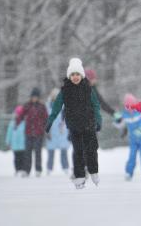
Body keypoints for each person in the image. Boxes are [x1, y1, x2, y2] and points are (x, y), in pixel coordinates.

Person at [46, 58, 102, 189]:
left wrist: (98, 120)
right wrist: (50, 120)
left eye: (77, 74)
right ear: (69, 76)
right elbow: (56, 107)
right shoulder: (65, 90)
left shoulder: (88, 89)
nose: (75, 77)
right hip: (74, 126)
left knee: (91, 149)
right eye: (72, 75)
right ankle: (79, 176)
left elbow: (96, 105)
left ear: (81, 75)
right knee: (78, 151)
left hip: (89, 124)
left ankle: (93, 171)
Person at [114, 93, 141, 181]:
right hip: (133, 140)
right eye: (127, 106)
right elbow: (120, 125)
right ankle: (128, 173)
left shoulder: (139, 112)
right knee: (132, 157)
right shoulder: (124, 114)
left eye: (131, 105)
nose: (129, 108)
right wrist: (117, 119)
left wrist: (140, 129)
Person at [17, 87, 48, 177]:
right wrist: (18, 121)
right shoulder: (27, 105)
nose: (34, 98)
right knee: (27, 152)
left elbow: (46, 118)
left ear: (38, 97)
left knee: (38, 152)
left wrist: (46, 128)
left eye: (36, 97)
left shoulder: (42, 107)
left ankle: (38, 169)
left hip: (39, 132)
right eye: (33, 96)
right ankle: (26, 170)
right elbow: (21, 115)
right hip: (29, 132)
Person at [45, 88, 70, 175]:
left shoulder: (64, 105)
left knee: (64, 151)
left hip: (61, 131)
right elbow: (46, 118)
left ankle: (65, 167)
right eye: (54, 96)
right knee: (51, 151)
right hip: (52, 131)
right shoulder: (47, 106)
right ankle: (49, 168)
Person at [5, 105, 26, 176]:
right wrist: (8, 142)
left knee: (23, 158)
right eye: (17, 113)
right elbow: (9, 133)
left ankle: (23, 169)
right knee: (16, 158)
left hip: (23, 145)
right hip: (15, 145)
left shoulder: (25, 123)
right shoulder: (12, 123)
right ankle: (17, 169)